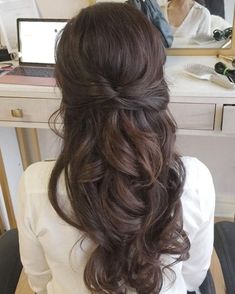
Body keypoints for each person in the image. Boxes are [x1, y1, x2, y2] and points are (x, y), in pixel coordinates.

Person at [16, 3, 215, 294]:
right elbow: (195, 278)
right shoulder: (193, 181)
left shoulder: (36, 187)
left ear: (65, 88)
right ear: (155, 82)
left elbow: (38, 283)